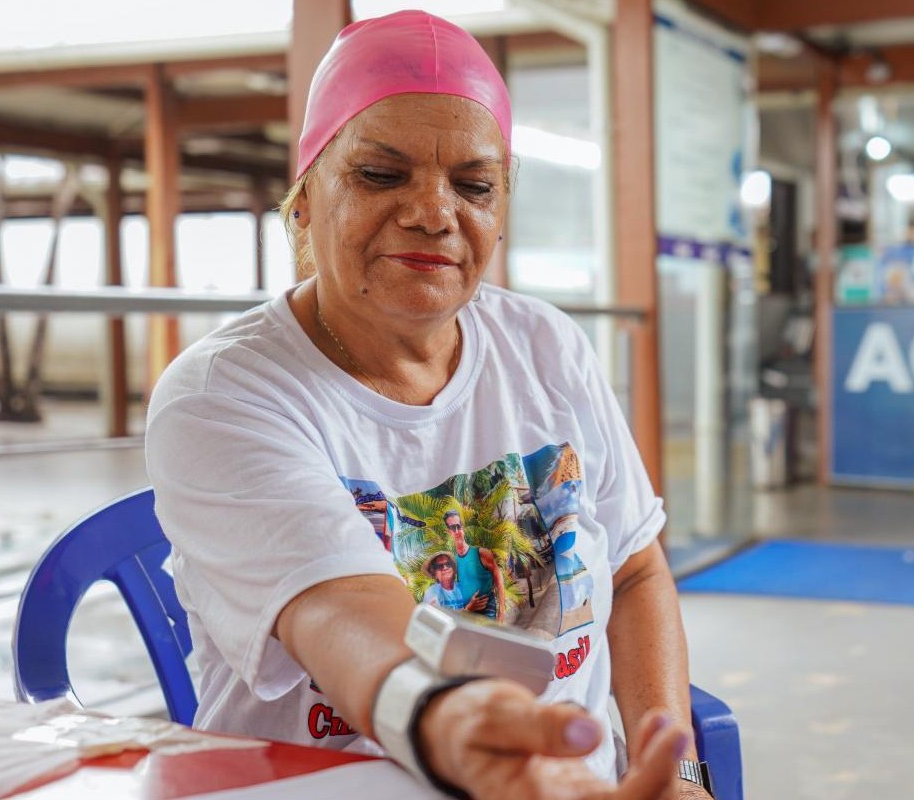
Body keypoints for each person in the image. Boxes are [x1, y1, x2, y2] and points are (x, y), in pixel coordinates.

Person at [146, 11, 710, 800]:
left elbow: (637, 569)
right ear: (305, 199)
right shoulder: (226, 397)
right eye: (381, 175)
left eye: (474, 186)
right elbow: (342, 609)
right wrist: (447, 720)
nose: (434, 212)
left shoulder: (546, 347)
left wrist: (678, 772)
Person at [440, 506, 502, 617]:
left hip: (487, 609)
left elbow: (497, 574)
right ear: (448, 531)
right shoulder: (452, 562)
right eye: (453, 528)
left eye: (459, 526)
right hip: (468, 612)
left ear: (463, 527)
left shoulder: (481, 553)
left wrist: (502, 611)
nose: (457, 531)